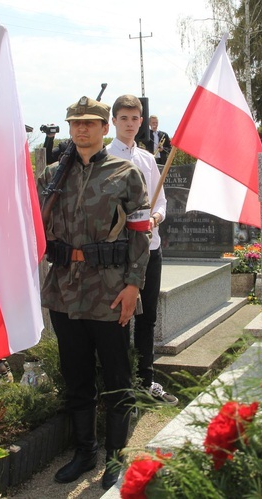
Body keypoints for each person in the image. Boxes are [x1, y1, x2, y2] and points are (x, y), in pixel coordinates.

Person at [37, 96, 151, 490]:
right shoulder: (54, 173)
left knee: (117, 376)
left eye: (89, 123)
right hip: (64, 289)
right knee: (76, 375)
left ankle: (115, 455)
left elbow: (140, 231)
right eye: (75, 123)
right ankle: (84, 451)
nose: (81, 129)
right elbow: (37, 227)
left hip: (110, 289)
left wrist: (134, 284)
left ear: (104, 128)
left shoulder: (125, 172)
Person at [106, 95, 177, 405]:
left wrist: (155, 218)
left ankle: (146, 380)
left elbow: (159, 201)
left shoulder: (148, 159)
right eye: (124, 118)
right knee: (120, 318)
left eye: (135, 119)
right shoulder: (105, 157)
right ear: (114, 121)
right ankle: (120, 385)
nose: (130, 124)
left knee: (146, 318)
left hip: (151, 248)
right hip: (119, 254)